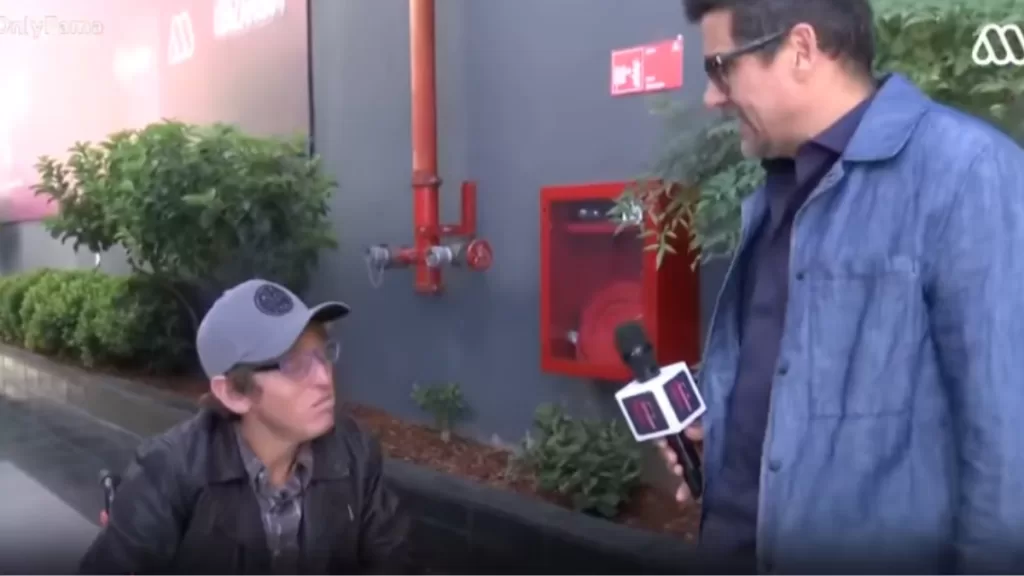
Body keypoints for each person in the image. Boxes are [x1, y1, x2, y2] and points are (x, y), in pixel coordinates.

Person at [657, 0, 1024, 573]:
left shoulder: (969, 173)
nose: (711, 98)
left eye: (721, 68)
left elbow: (1007, 453)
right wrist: (723, 431)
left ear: (801, 49)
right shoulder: (776, 190)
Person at [79, 279, 410, 574]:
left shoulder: (354, 452)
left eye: (324, 354)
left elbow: (394, 560)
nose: (325, 378)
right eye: (294, 365)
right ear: (234, 393)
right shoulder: (170, 472)